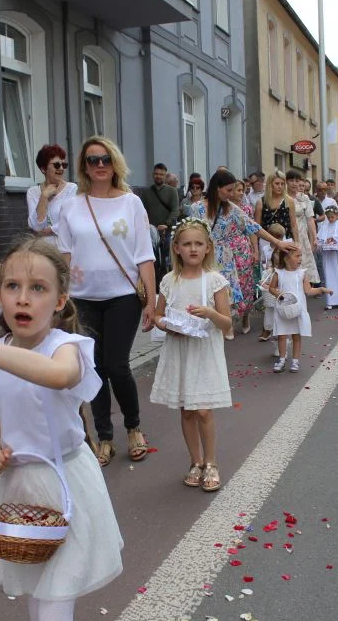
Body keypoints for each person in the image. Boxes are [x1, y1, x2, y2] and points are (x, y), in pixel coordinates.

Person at [0, 237, 123, 621]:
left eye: (38, 288)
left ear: (59, 301)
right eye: (13, 287)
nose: (23, 299)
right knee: (40, 600)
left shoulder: (66, 347)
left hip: (66, 485)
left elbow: (57, 377)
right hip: (19, 489)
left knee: (55, 606)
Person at [57, 136, 155, 467]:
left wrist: (152, 302)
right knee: (93, 368)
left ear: (115, 163)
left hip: (124, 297)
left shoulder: (131, 203)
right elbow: (64, 257)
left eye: (105, 159)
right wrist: (59, 297)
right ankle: (104, 437)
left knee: (116, 365)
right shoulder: (71, 205)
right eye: (92, 160)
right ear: (84, 166)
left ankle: (133, 427)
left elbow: (145, 257)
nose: (99, 165)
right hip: (82, 299)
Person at [150, 218, 232, 492]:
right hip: (180, 349)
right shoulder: (169, 281)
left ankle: (211, 462)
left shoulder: (215, 281)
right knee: (186, 410)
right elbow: (159, 315)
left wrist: (209, 313)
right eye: (187, 244)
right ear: (177, 248)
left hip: (204, 350)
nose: (193, 249)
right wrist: (165, 324)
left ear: (208, 248)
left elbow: (227, 323)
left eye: (198, 244)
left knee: (204, 409)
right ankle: (195, 461)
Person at [191, 170, 287, 340]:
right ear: (216, 188)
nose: (231, 194)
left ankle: (223, 329)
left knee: (223, 298)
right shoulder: (197, 208)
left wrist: (278, 242)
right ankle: (208, 332)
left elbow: (253, 227)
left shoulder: (231, 209)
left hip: (225, 259)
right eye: (228, 190)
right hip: (204, 258)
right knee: (205, 296)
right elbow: (190, 234)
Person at [267, 244, 330, 373]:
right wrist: (280, 295)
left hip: (297, 310)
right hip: (283, 310)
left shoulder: (302, 274)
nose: (300, 258)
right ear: (286, 258)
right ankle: (282, 359)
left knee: (296, 335)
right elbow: (271, 288)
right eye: (297, 256)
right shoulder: (279, 273)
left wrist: (321, 289)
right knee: (282, 335)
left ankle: (295, 361)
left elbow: (308, 290)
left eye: (300, 256)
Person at [228, 178, 261, 335]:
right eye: (238, 190)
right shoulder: (224, 208)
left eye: (242, 190)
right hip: (227, 250)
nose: (241, 193)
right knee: (228, 286)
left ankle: (246, 316)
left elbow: (252, 230)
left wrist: (255, 250)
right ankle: (228, 322)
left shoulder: (247, 209)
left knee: (246, 285)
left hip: (243, 248)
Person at [27, 144, 77, 246]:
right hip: (43, 251)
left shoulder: (72, 189)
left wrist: (48, 231)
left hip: (66, 249)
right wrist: (44, 196)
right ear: (43, 169)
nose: (61, 168)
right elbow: (35, 226)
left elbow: (71, 221)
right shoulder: (32, 192)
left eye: (64, 165)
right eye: (57, 165)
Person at [141, 163, 181, 283]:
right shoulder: (147, 192)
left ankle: (169, 280)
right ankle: (154, 282)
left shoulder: (172, 191)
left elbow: (175, 210)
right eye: (156, 174)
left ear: (165, 176)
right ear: (153, 175)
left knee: (166, 258)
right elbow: (142, 211)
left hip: (167, 230)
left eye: (161, 174)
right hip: (150, 231)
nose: (158, 176)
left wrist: (167, 224)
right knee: (152, 259)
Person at [285, 170, 320, 285]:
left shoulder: (304, 198)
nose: (294, 183)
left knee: (303, 265)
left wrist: (314, 237)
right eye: (291, 180)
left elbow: (310, 219)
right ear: (287, 182)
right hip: (286, 234)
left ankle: (304, 293)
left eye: (297, 181)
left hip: (301, 235)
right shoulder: (283, 198)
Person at [258, 223, 287, 342]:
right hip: (270, 272)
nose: (278, 240)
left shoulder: (283, 247)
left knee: (279, 309)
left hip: (279, 272)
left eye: (280, 238)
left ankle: (278, 330)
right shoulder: (266, 249)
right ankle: (267, 328)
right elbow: (264, 261)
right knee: (269, 309)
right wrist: (266, 268)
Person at [316, 205, 338, 310]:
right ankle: (331, 300)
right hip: (327, 255)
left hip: (337, 254)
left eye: (332, 217)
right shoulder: (324, 227)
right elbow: (320, 239)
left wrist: (335, 239)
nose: (330, 219)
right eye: (328, 217)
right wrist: (322, 242)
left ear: (337, 215)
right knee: (329, 275)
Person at [255, 170, 300, 245]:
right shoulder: (261, 202)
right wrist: (255, 247)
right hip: (267, 241)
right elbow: (256, 227)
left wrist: (297, 242)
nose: (280, 186)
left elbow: (294, 225)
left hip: (286, 240)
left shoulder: (289, 201)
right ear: (270, 184)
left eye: (282, 184)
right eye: (277, 183)